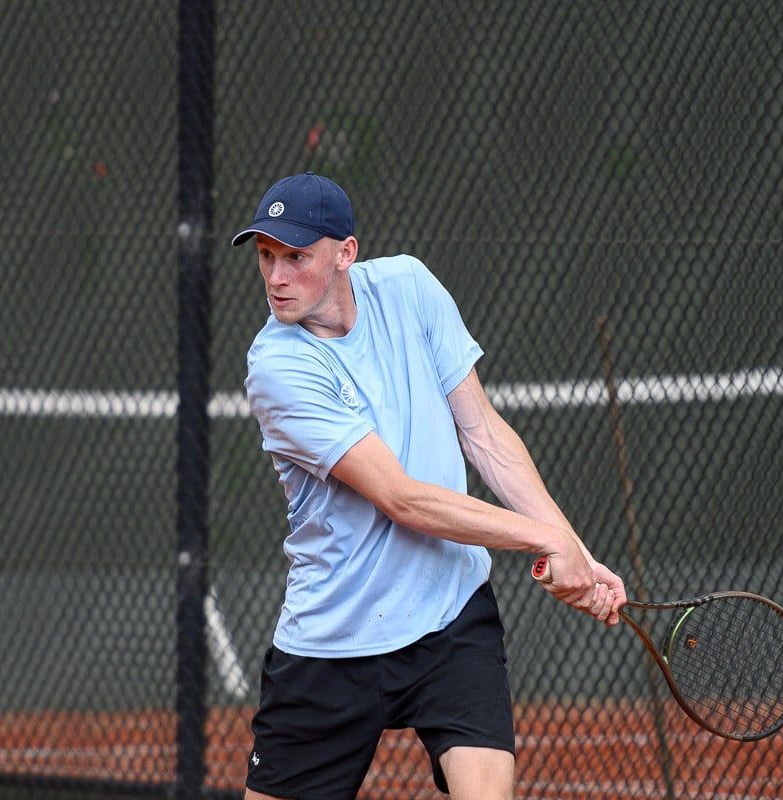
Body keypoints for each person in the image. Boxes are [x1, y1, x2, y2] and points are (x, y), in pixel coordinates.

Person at [232, 172, 627, 800]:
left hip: (451, 618)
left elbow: (484, 433)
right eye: (265, 256)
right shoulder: (277, 365)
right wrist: (545, 539)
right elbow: (402, 498)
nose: (276, 276)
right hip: (335, 641)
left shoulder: (409, 287)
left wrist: (574, 550)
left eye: (296, 256)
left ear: (345, 252)